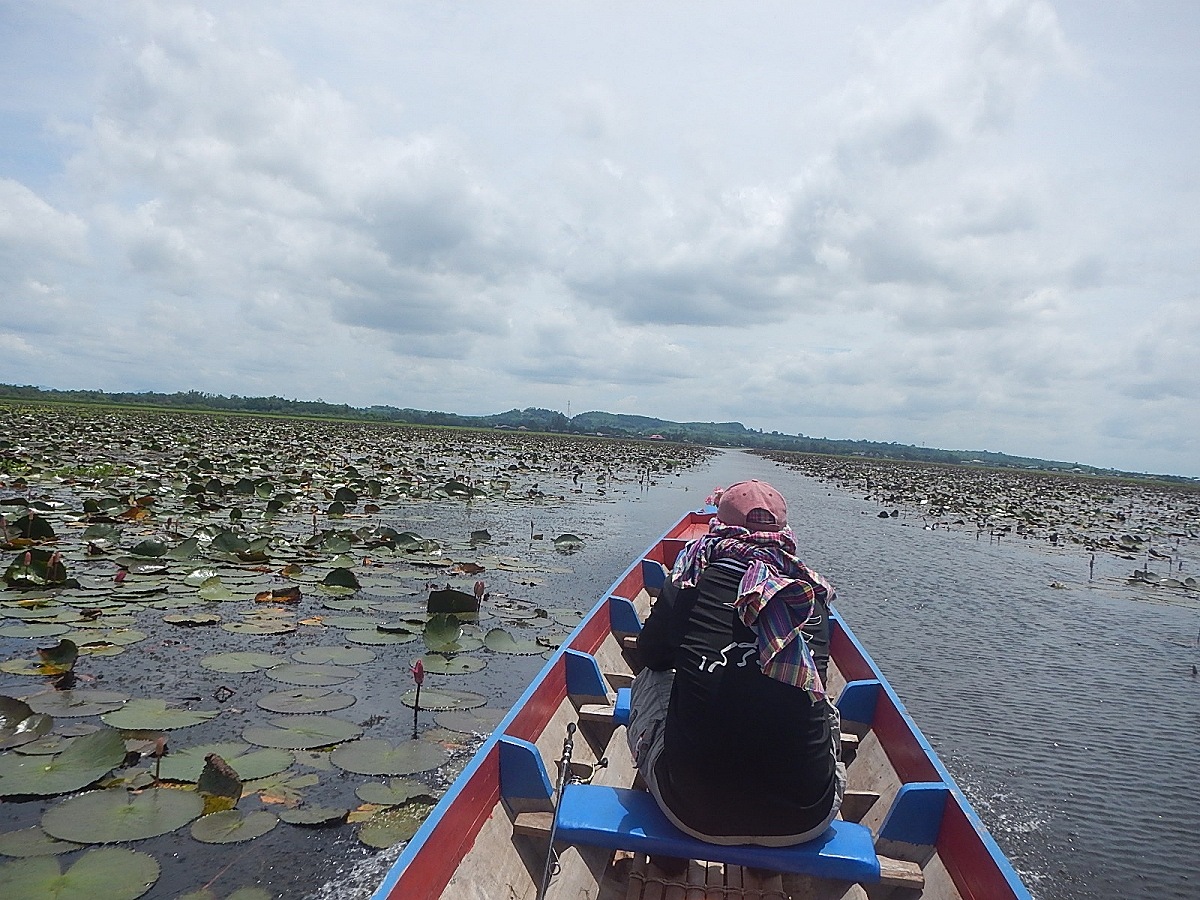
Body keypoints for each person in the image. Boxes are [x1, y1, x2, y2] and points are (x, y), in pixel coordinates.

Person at [626, 479, 846, 848]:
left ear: (719, 528)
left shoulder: (689, 583)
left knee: (652, 676)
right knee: (821, 702)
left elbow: (651, 657)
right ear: (783, 533)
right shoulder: (809, 596)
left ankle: (660, 822)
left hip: (692, 813)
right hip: (808, 817)